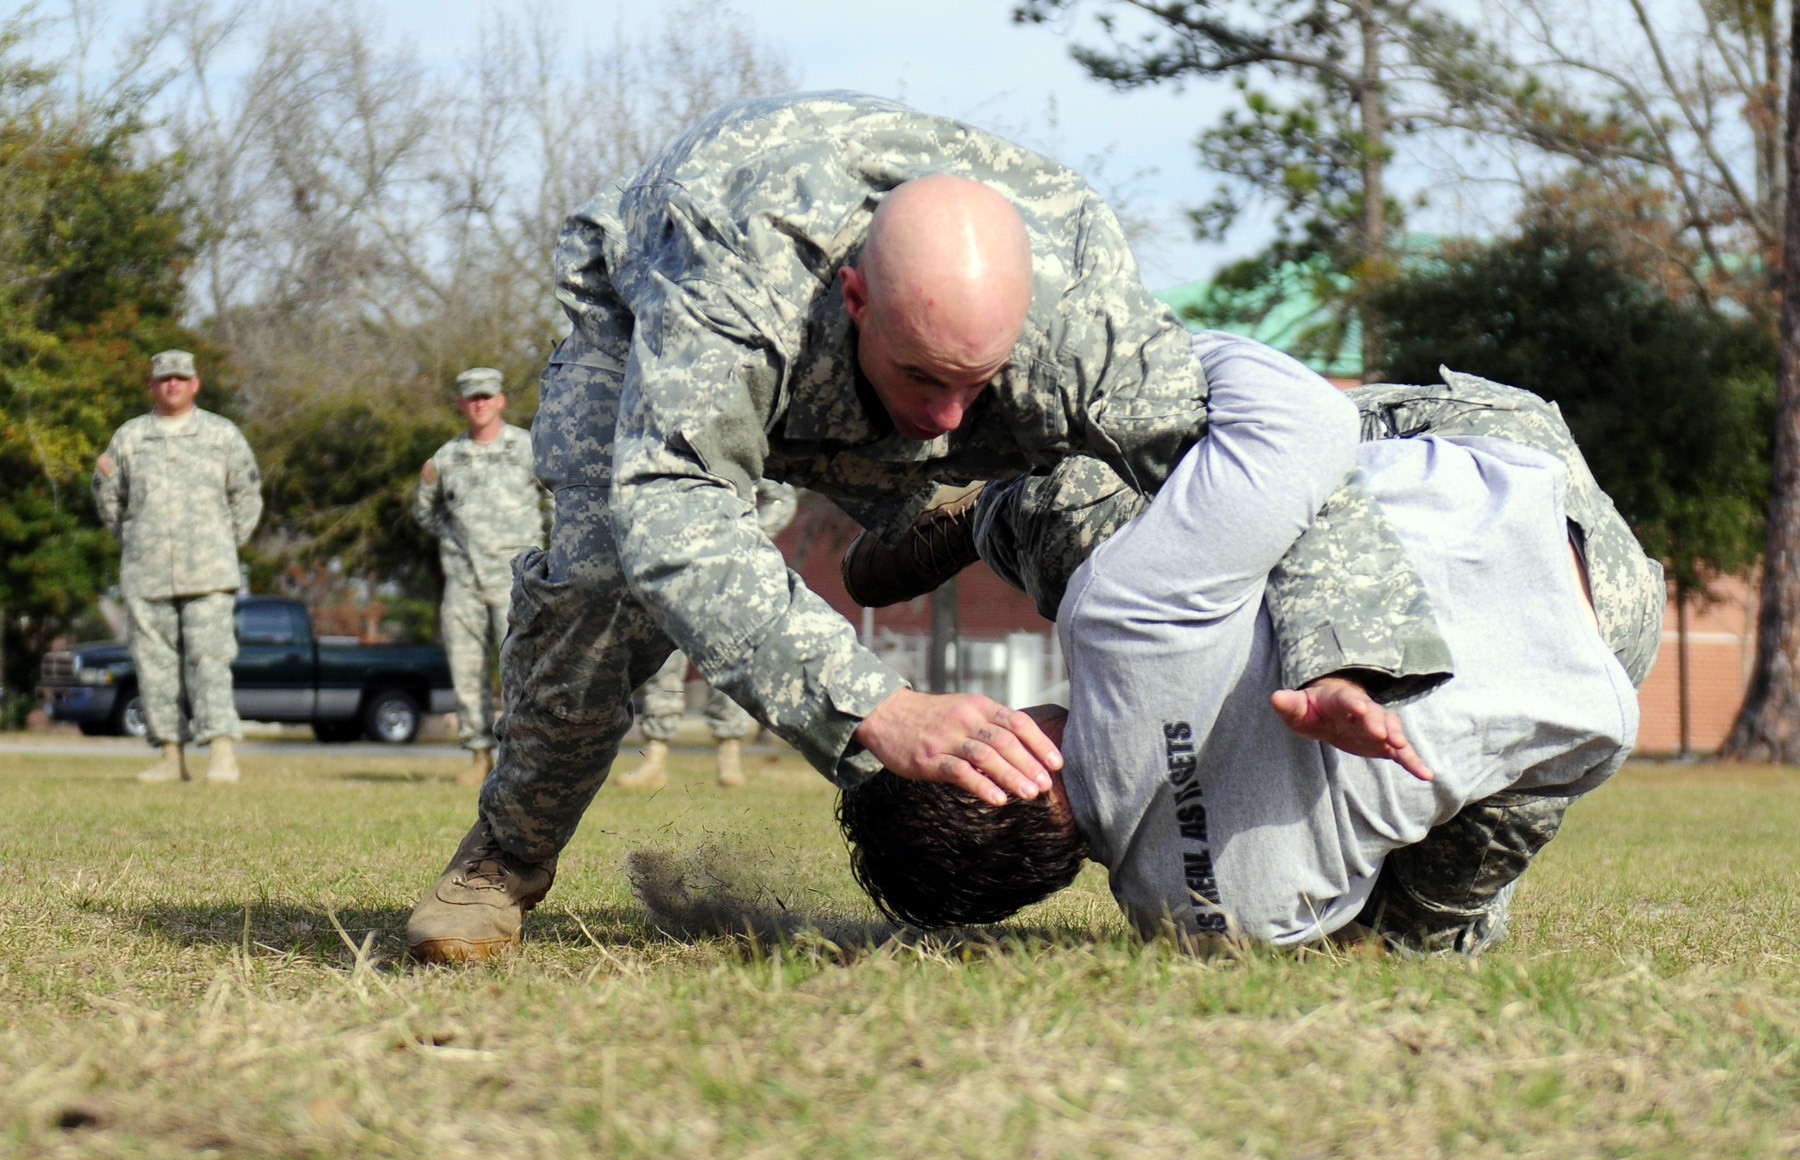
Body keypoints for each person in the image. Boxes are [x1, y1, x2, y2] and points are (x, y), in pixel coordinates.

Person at [404, 91, 1457, 963]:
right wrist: (873, 705)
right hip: (653, 310)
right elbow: (670, 512)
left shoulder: (1084, 322)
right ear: (857, 296)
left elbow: (1291, 479)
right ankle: (504, 856)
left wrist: (1347, 663)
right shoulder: (734, 287)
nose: (951, 416)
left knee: (1114, 530)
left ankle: (983, 506)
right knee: (604, 578)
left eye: (976, 385)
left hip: (968, 369)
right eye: (926, 380)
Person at [838, 331, 1665, 954]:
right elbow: (1297, 418)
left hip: (1607, 657)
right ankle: (994, 508)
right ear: (988, 746)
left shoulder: (1210, 926)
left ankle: (1434, 918)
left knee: (1419, 935)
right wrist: (1116, 368)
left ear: (1037, 881)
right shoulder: (1120, 623)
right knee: (1079, 506)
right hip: (1506, 474)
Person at [91, 349, 263, 785]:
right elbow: (107, 498)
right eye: (164, 378)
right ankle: (170, 756)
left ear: (195, 384)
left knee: (210, 661)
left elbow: (247, 495)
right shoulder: (129, 438)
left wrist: (224, 543)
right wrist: (134, 540)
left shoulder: (222, 435)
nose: (172, 384)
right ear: (152, 385)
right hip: (146, 574)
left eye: (180, 378)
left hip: (209, 573)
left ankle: (221, 754)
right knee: (154, 665)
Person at [413, 367, 551, 787]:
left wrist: (545, 555)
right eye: (472, 398)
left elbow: (554, 502)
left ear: (501, 400)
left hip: (516, 579)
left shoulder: (528, 448)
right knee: (466, 668)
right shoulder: (446, 458)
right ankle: (477, 755)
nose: (480, 404)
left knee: (522, 670)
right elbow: (426, 510)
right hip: (465, 583)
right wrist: (457, 545)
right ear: (461, 404)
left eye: (487, 397)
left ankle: (521, 756)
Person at [617, 480, 800, 790]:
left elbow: (782, 497)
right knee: (663, 668)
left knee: (728, 661)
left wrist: (745, 536)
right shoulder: (669, 453)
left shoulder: (732, 446)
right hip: (671, 572)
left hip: (725, 577)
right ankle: (655, 760)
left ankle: (729, 760)